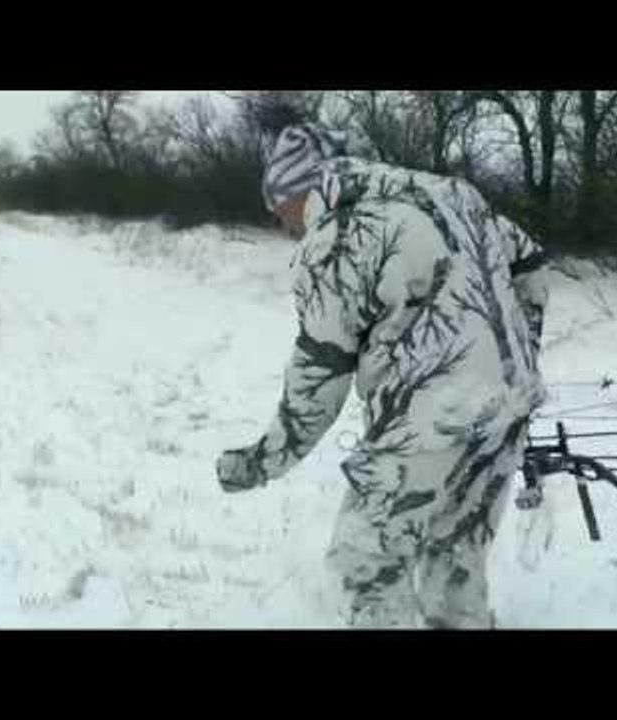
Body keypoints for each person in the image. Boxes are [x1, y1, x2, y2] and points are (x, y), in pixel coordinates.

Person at [216, 123, 549, 629]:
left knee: (365, 562)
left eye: (278, 208)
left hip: (434, 419)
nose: (280, 224)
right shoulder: (449, 195)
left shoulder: (338, 239)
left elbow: (320, 376)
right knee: (454, 558)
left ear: (300, 188)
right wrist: (518, 352)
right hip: (508, 407)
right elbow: (530, 262)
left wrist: (263, 461)